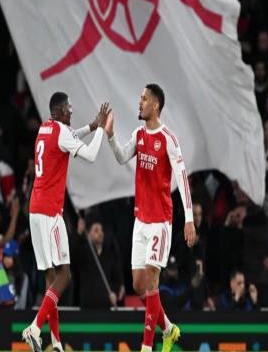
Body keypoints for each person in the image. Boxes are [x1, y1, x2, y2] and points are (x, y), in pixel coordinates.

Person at [105, 83, 196, 352]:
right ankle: (167, 329)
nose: (140, 102)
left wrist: (189, 219)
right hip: (140, 220)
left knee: (152, 282)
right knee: (138, 285)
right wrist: (110, 136)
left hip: (160, 222)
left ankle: (147, 347)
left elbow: (182, 179)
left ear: (155, 105)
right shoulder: (139, 134)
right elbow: (122, 157)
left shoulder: (168, 139)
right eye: (140, 98)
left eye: (144, 99)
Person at [21, 93, 111, 352]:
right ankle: (35, 327)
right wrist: (101, 130)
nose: (71, 110)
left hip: (35, 210)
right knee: (65, 275)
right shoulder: (61, 132)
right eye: (69, 107)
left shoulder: (45, 128)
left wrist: (90, 126)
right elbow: (90, 155)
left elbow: (69, 136)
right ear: (61, 111)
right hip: (51, 213)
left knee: (51, 279)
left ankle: (56, 342)